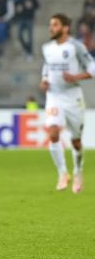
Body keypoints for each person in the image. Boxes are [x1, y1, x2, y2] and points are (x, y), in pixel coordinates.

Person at [40, 13, 95, 193]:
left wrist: (75, 77)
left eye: (55, 25)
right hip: (54, 96)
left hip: (73, 97)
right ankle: (63, 173)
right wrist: (44, 80)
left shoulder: (75, 47)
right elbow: (47, 67)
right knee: (53, 132)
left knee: (76, 142)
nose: (51, 28)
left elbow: (92, 69)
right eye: (50, 25)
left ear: (65, 28)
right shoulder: (47, 48)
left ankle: (78, 171)